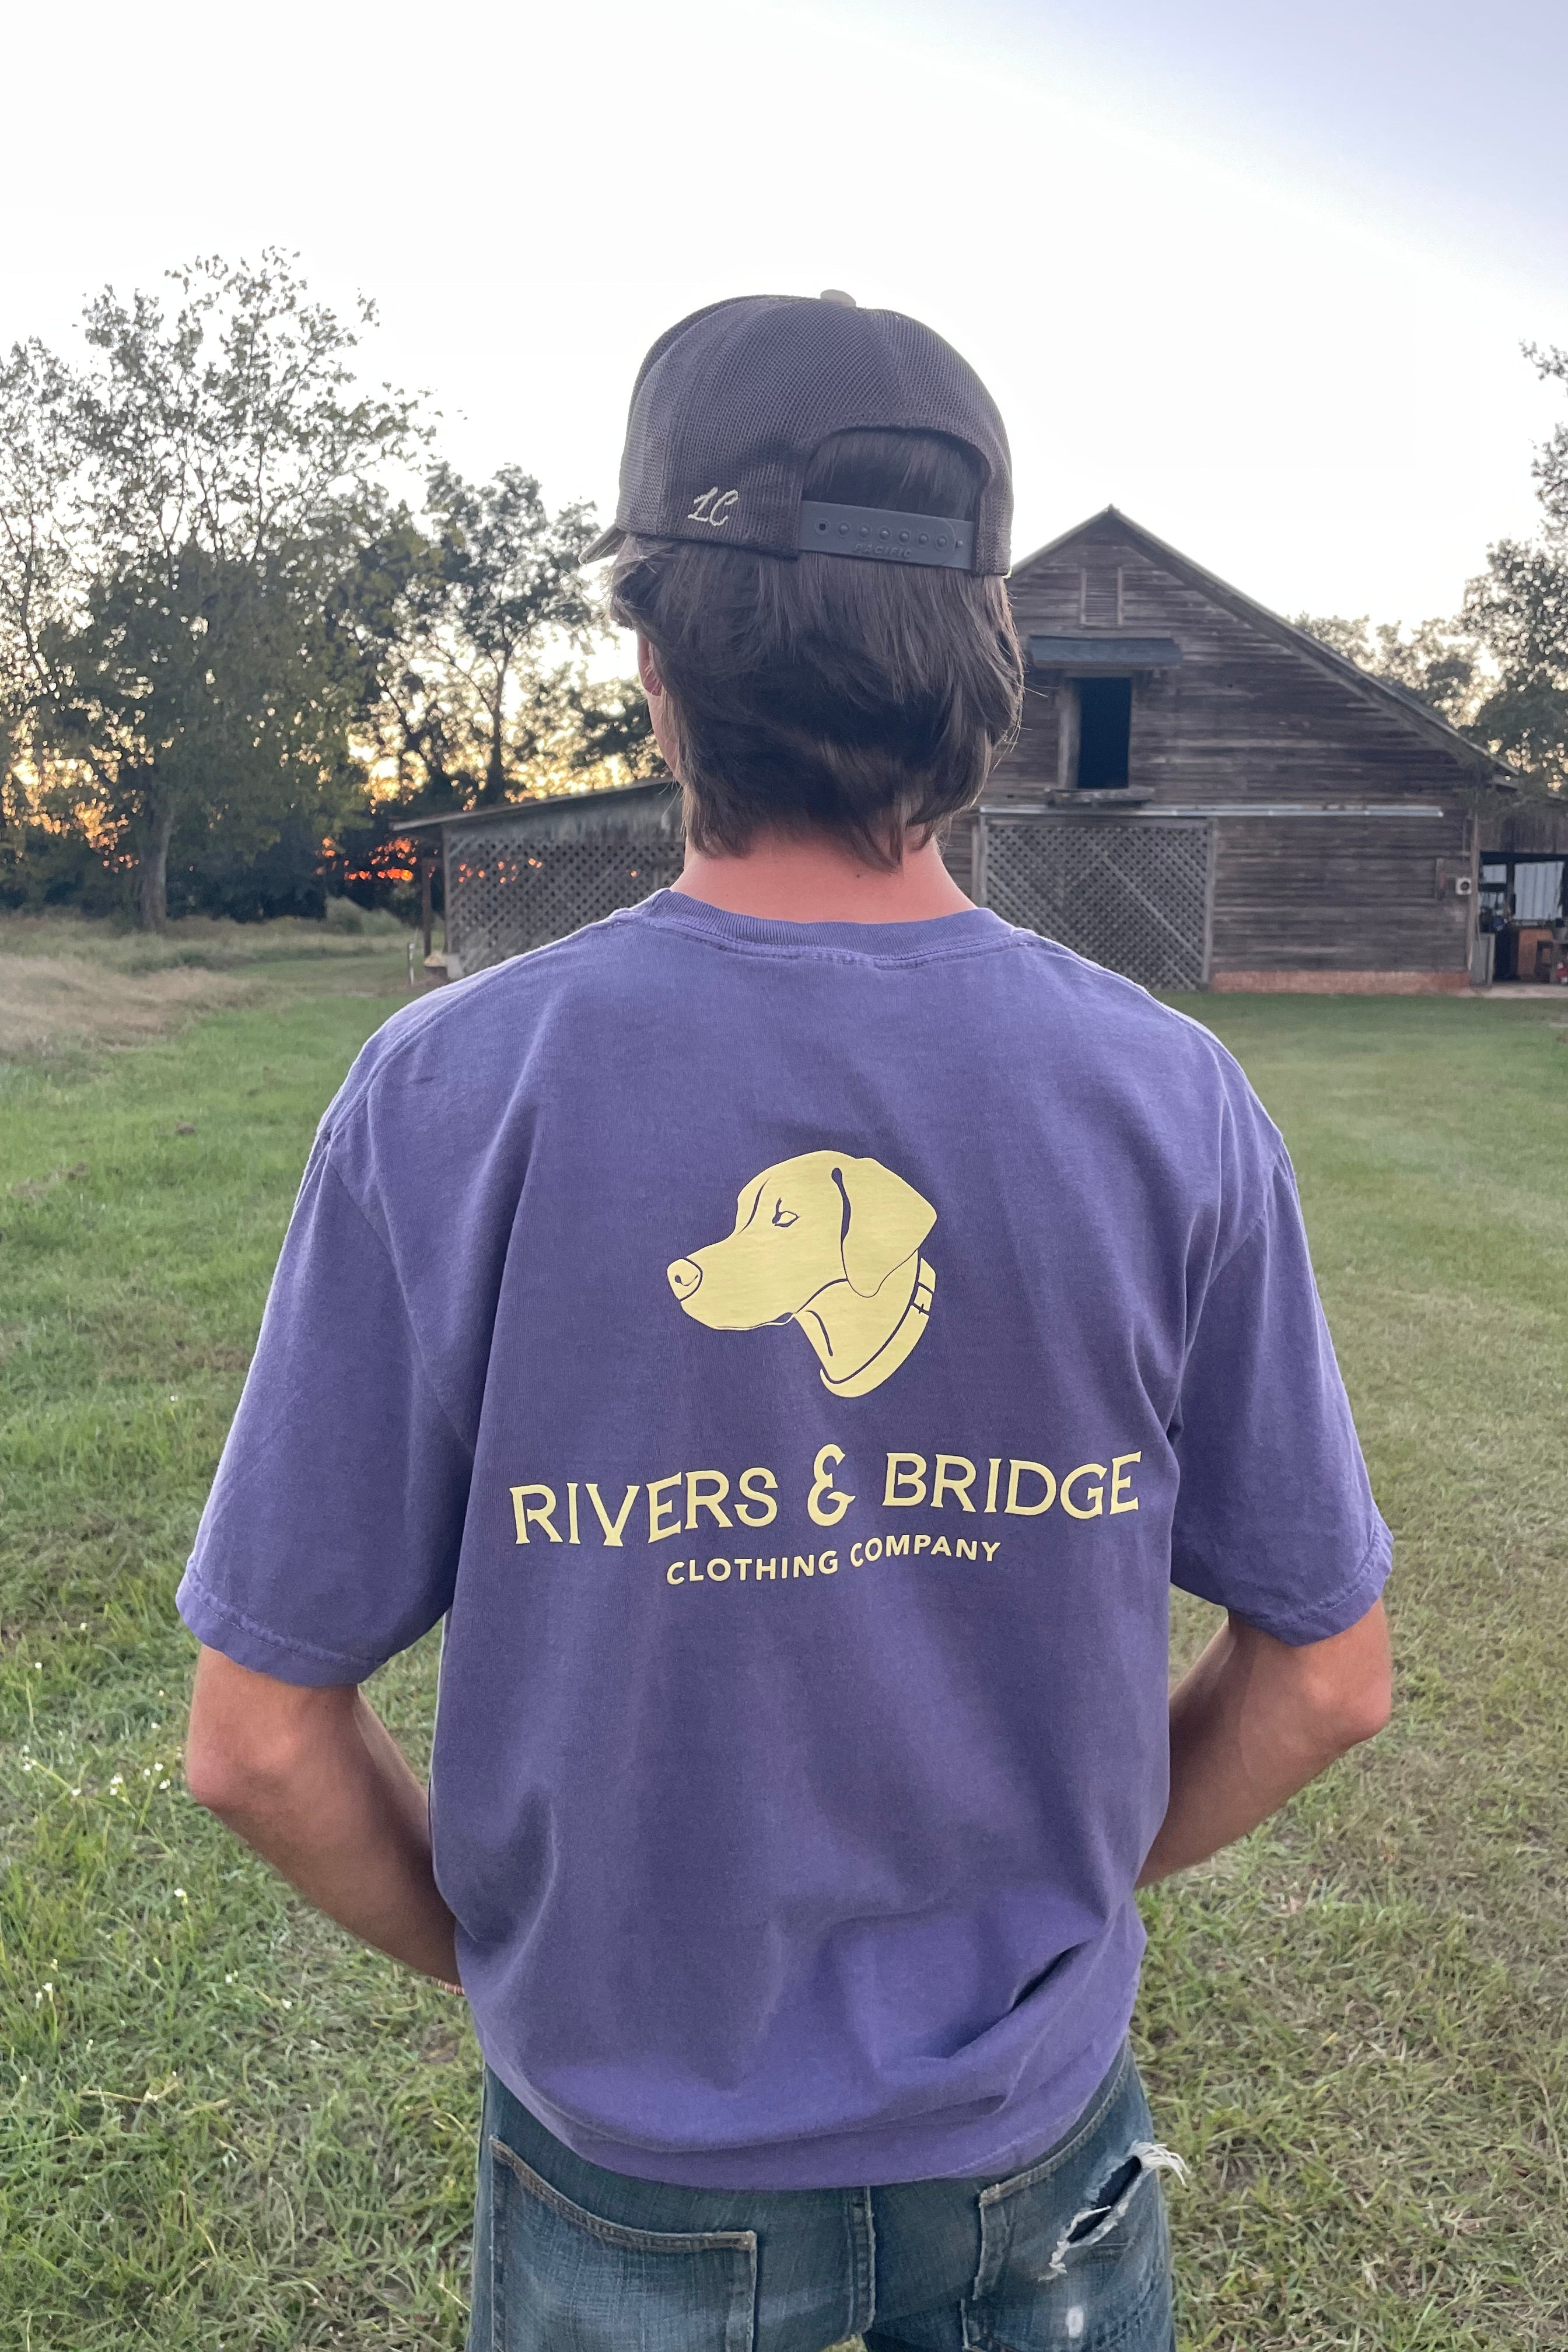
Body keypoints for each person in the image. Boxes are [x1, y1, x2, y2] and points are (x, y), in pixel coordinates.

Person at [181, 293, 1392, 2352]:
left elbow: (255, 1742)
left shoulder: (456, 1091)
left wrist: (526, 1985)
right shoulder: (1165, 1096)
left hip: (630, 2166)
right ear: (991, 680)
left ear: (653, 669)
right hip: (1040, 2153)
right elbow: (1330, 1679)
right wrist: (1048, 1934)